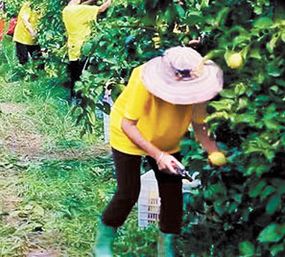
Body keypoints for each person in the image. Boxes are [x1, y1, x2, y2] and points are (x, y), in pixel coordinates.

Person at [94, 46, 224, 257]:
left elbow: (199, 123)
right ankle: (103, 242)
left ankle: (166, 247)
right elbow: (129, 125)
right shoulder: (142, 77)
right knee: (128, 192)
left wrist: (212, 151)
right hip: (129, 134)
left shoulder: (199, 84)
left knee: (173, 194)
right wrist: (158, 155)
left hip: (167, 137)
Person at [61, 0, 114, 102]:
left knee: (75, 77)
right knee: (84, 77)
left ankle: (74, 100)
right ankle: (83, 102)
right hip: (83, 48)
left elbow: (81, 6)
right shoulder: (79, 10)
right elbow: (102, 9)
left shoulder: (66, 10)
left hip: (73, 48)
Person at [12, 1, 42, 66]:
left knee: (39, 61)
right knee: (23, 61)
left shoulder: (41, 6)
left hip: (34, 39)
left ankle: (38, 75)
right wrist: (32, 31)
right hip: (22, 37)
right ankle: (23, 74)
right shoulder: (28, 5)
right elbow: (25, 19)